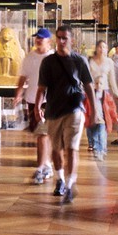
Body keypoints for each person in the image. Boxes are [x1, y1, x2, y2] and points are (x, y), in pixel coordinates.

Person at [37, 25, 95, 202]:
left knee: (71, 147)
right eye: (59, 38)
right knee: (57, 149)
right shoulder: (48, 62)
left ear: (71, 40)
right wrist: (37, 107)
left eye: (65, 38)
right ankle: (60, 179)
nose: (61, 41)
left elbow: (88, 86)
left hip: (74, 109)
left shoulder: (79, 61)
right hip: (54, 110)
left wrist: (94, 110)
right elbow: (41, 87)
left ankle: (70, 184)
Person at [15, 27, 54, 184]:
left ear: (48, 41)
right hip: (32, 100)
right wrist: (18, 94)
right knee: (41, 135)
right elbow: (23, 77)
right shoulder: (29, 57)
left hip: (48, 101)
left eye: (41, 38)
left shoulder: (53, 58)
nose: (38, 40)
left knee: (43, 134)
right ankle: (47, 164)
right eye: (37, 37)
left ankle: (41, 167)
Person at [86, 39, 118, 159]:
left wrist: (116, 93)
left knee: (102, 120)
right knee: (91, 117)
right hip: (91, 92)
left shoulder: (109, 62)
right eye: (100, 47)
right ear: (96, 48)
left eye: (105, 47)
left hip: (104, 93)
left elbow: (112, 79)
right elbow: (85, 78)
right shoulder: (90, 61)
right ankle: (92, 142)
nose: (102, 49)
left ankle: (101, 147)